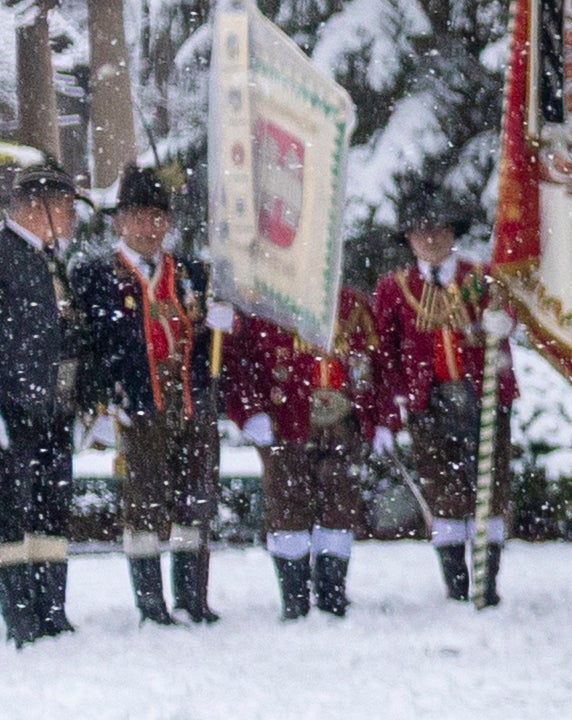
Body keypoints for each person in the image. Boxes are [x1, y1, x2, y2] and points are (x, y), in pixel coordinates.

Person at [71, 164, 223, 626]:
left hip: (192, 403)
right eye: (138, 217)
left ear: (169, 223)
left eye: (157, 218)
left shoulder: (193, 273)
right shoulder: (97, 276)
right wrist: (97, 403)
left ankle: (192, 598)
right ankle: (151, 604)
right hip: (136, 405)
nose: (148, 228)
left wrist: (220, 327)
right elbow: (89, 349)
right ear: (118, 222)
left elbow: (207, 344)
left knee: (194, 502)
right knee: (143, 504)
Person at [367, 187, 518, 605]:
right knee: (444, 493)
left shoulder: (483, 278)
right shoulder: (394, 289)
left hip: (484, 398)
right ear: (408, 240)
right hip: (427, 403)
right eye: (420, 233)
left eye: (438, 230)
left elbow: (514, 317)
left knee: (490, 488)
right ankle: (457, 586)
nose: (430, 240)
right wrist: (387, 412)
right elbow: (385, 356)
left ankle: (487, 583)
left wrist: (504, 322)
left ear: (453, 232)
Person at [225, 286, 377, 620]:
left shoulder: (352, 301)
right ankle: (294, 598)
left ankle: (331, 594)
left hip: (340, 419)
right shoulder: (262, 301)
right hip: (284, 420)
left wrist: (377, 417)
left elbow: (374, 360)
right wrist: (248, 411)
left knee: (339, 506)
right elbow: (234, 363)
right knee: (286, 506)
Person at [0, 152, 79, 645]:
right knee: (12, 514)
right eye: (66, 206)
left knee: (50, 510)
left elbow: (67, 337)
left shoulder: (49, 261)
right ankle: (22, 615)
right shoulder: (4, 256)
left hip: (51, 409)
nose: (70, 217)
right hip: (12, 409)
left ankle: (52, 609)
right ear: (39, 206)